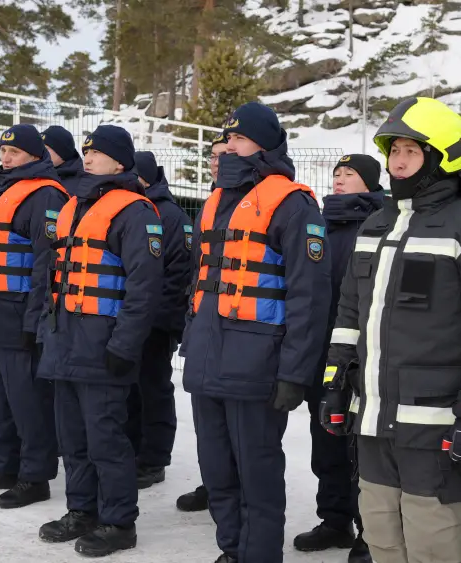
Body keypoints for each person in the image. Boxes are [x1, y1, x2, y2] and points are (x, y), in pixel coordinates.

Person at [321, 97, 461, 563]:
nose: (400, 160)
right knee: (382, 538)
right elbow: (349, 312)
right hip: (372, 420)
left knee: (434, 544)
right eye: (394, 152)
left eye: (412, 150)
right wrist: (334, 382)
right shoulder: (375, 225)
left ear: (442, 155)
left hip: (435, 426)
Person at [182, 102, 332, 563]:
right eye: (225, 139)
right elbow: (199, 281)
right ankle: (232, 548)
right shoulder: (213, 202)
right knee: (218, 470)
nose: (229, 147)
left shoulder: (293, 204)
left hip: (257, 366)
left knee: (257, 472)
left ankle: (259, 555)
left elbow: (310, 298)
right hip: (207, 362)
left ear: (264, 146)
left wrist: (295, 373)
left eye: (239, 139)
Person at [36, 125, 163, 557]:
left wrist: (123, 346)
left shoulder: (136, 212)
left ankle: (118, 521)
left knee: (106, 439)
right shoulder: (74, 205)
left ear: (120, 162)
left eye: (98, 153)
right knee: (72, 438)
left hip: (102, 344)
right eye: (85, 152)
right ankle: (82, 510)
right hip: (64, 341)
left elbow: (144, 290)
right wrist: (44, 330)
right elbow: (53, 275)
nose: (87, 158)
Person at [0, 124, 67, 509]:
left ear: (35, 156)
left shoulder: (46, 195)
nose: (5, 158)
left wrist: (31, 323)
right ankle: (2, 464)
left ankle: (35, 476)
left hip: (19, 317)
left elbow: (46, 265)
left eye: (14, 152)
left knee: (28, 402)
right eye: (3, 151)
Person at [294, 154, 383, 562]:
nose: (340, 180)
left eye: (350, 174)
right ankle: (334, 520)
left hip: (363, 353)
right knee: (325, 438)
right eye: (337, 174)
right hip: (321, 348)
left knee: (361, 445)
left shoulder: (381, 224)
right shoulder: (319, 225)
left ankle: (372, 531)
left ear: (369, 183)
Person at [124, 150, 193, 490]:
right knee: (129, 390)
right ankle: (134, 450)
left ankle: (154, 459)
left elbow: (176, 275)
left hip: (153, 323)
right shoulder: (130, 209)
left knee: (153, 390)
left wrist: (161, 323)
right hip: (127, 320)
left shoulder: (169, 216)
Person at [175, 132, 229, 514]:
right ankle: (214, 483)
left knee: (237, 429)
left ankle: (230, 490)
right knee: (207, 425)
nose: (216, 162)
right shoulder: (210, 204)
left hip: (242, 329)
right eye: (212, 156)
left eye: (224, 154)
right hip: (204, 325)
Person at [43, 125, 82, 195]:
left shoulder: (80, 185)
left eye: (46, 149)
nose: (41, 152)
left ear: (62, 152)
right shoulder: (41, 173)